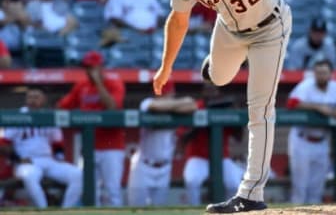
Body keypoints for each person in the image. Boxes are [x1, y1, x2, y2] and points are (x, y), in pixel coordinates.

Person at [150, 0, 336, 213]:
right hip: (230, 30)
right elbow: (178, 21)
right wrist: (166, 66)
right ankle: (215, 68)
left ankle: (251, 194)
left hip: (269, 29)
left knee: (259, 109)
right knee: (218, 78)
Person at [286, 59, 336, 204]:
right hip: (301, 141)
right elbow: (292, 103)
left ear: (330, 74)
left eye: (324, 73)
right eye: (318, 72)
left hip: (321, 142)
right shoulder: (306, 86)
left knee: (316, 190)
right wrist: (317, 107)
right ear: (314, 73)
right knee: (299, 189)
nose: (321, 75)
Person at [57, 51, 126, 206]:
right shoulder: (81, 86)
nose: (89, 71)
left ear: (101, 67)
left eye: (92, 67)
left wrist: (98, 83)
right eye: (87, 68)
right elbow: (62, 107)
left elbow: (112, 107)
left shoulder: (114, 83)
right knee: (87, 188)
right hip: (89, 146)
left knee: (113, 189)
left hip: (112, 146)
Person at [0, 87, 83, 208]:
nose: (33, 100)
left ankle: (66, 209)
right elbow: (3, 144)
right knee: (29, 177)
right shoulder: (19, 116)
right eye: (30, 97)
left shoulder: (48, 116)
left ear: (43, 100)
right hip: (27, 162)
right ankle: (43, 210)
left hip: (48, 160)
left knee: (77, 174)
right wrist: (17, 159)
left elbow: (57, 143)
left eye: (36, 97)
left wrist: (60, 157)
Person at [128, 81, 198, 206]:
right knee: (136, 208)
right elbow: (155, 106)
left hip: (164, 168)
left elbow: (193, 106)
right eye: (165, 93)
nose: (170, 95)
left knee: (159, 209)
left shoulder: (174, 107)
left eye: (169, 93)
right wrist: (180, 103)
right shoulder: (147, 103)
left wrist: (172, 106)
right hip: (143, 166)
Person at [179, 83, 243, 206]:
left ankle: (228, 210)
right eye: (207, 90)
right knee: (192, 181)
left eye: (214, 90)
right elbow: (183, 137)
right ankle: (195, 210)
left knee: (234, 183)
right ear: (202, 92)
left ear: (218, 92)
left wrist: (235, 115)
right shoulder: (196, 108)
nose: (211, 93)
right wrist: (199, 123)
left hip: (221, 158)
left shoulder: (224, 109)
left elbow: (238, 137)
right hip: (198, 157)